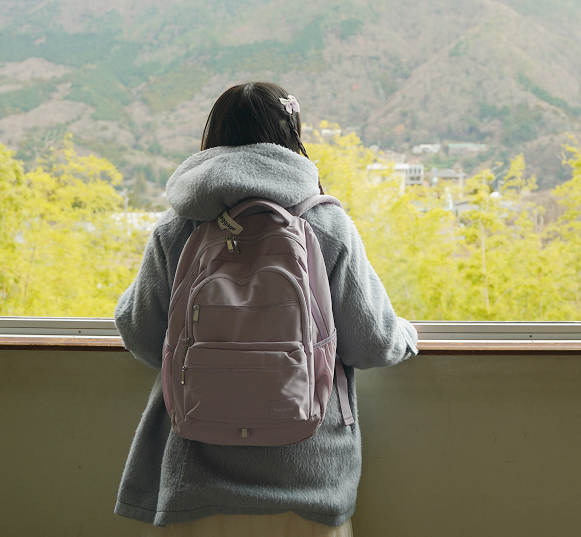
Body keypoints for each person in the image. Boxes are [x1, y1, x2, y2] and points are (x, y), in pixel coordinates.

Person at [113, 81, 418, 535]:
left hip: (198, 480)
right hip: (309, 480)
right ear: (292, 137)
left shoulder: (178, 227)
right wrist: (407, 335)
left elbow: (141, 332)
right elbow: (371, 342)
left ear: (212, 137)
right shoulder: (325, 222)